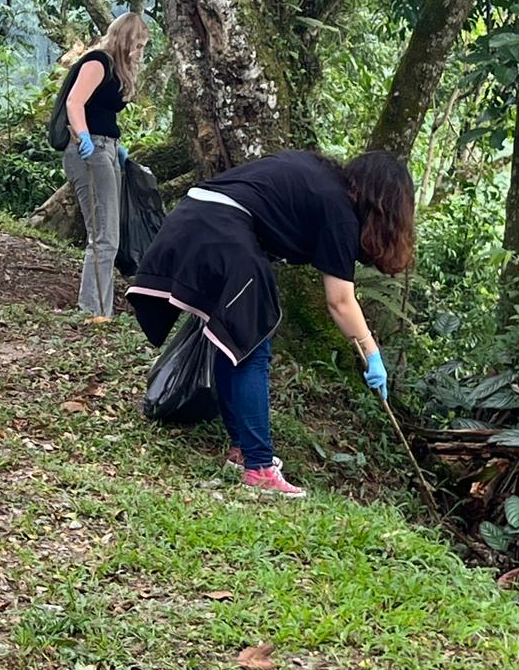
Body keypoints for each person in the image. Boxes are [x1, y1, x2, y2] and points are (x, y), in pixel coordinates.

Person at [128, 150, 416, 498]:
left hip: (194, 213)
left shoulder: (323, 183)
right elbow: (340, 301)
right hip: (220, 226)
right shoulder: (339, 211)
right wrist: (372, 353)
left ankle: (242, 451)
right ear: (385, 204)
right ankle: (259, 467)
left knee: (231, 338)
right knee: (252, 346)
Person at [62, 12, 149, 318]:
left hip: (108, 147)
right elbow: (75, 102)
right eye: (138, 45)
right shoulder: (98, 62)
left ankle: (99, 307)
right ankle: (94, 310)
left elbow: (103, 110)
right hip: (89, 149)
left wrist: (116, 147)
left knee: (110, 233)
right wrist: (84, 137)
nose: (140, 51)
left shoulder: (117, 71)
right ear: (126, 40)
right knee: (103, 235)